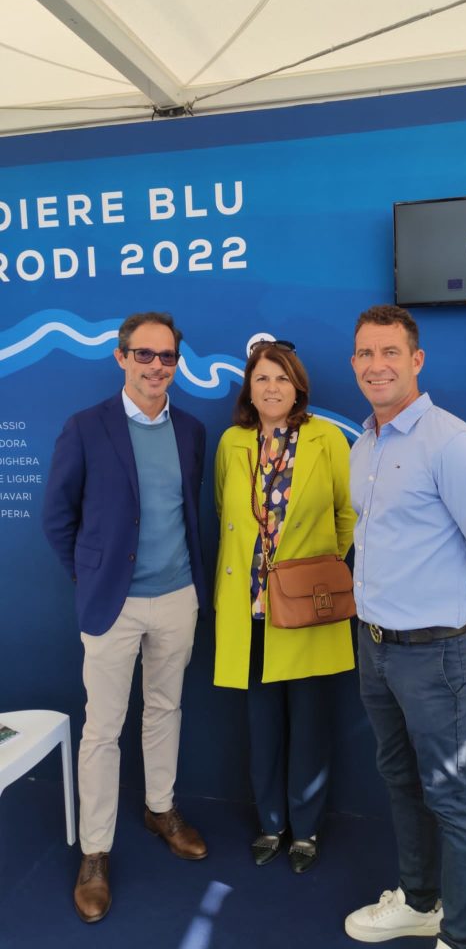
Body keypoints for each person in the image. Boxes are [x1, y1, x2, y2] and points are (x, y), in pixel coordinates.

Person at [344, 305, 466, 949]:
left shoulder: (450, 443)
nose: (377, 365)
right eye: (366, 353)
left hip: (435, 656)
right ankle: (421, 903)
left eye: (390, 352)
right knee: (400, 781)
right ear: (354, 363)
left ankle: (461, 937)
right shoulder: (364, 444)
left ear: (416, 360)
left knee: (452, 797)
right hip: (375, 647)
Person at [43, 311, 208, 923]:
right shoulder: (85, 428)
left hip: (178, 597)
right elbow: (57, 518)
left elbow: (188, 511)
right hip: (112, 605)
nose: (156, 366)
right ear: (121, 357)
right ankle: (95, 852)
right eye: (144, 354)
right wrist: (91, 577)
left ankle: (160, 809)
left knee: (166, 709)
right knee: (102, 730)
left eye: (167, 357)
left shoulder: (191, 431)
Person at [214, 339, 356, 873]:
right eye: (261, 378)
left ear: (297, 387)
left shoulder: (327, 438)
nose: (271, 388)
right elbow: (225, 511)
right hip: (251, 611)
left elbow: (347, 514)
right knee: (263, 725)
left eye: (281, 378)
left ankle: (307, 828)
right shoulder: (232, 442)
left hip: (308, 607)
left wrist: (319, 573)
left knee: (310, 723)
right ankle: (271, 824)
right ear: (249, 390)